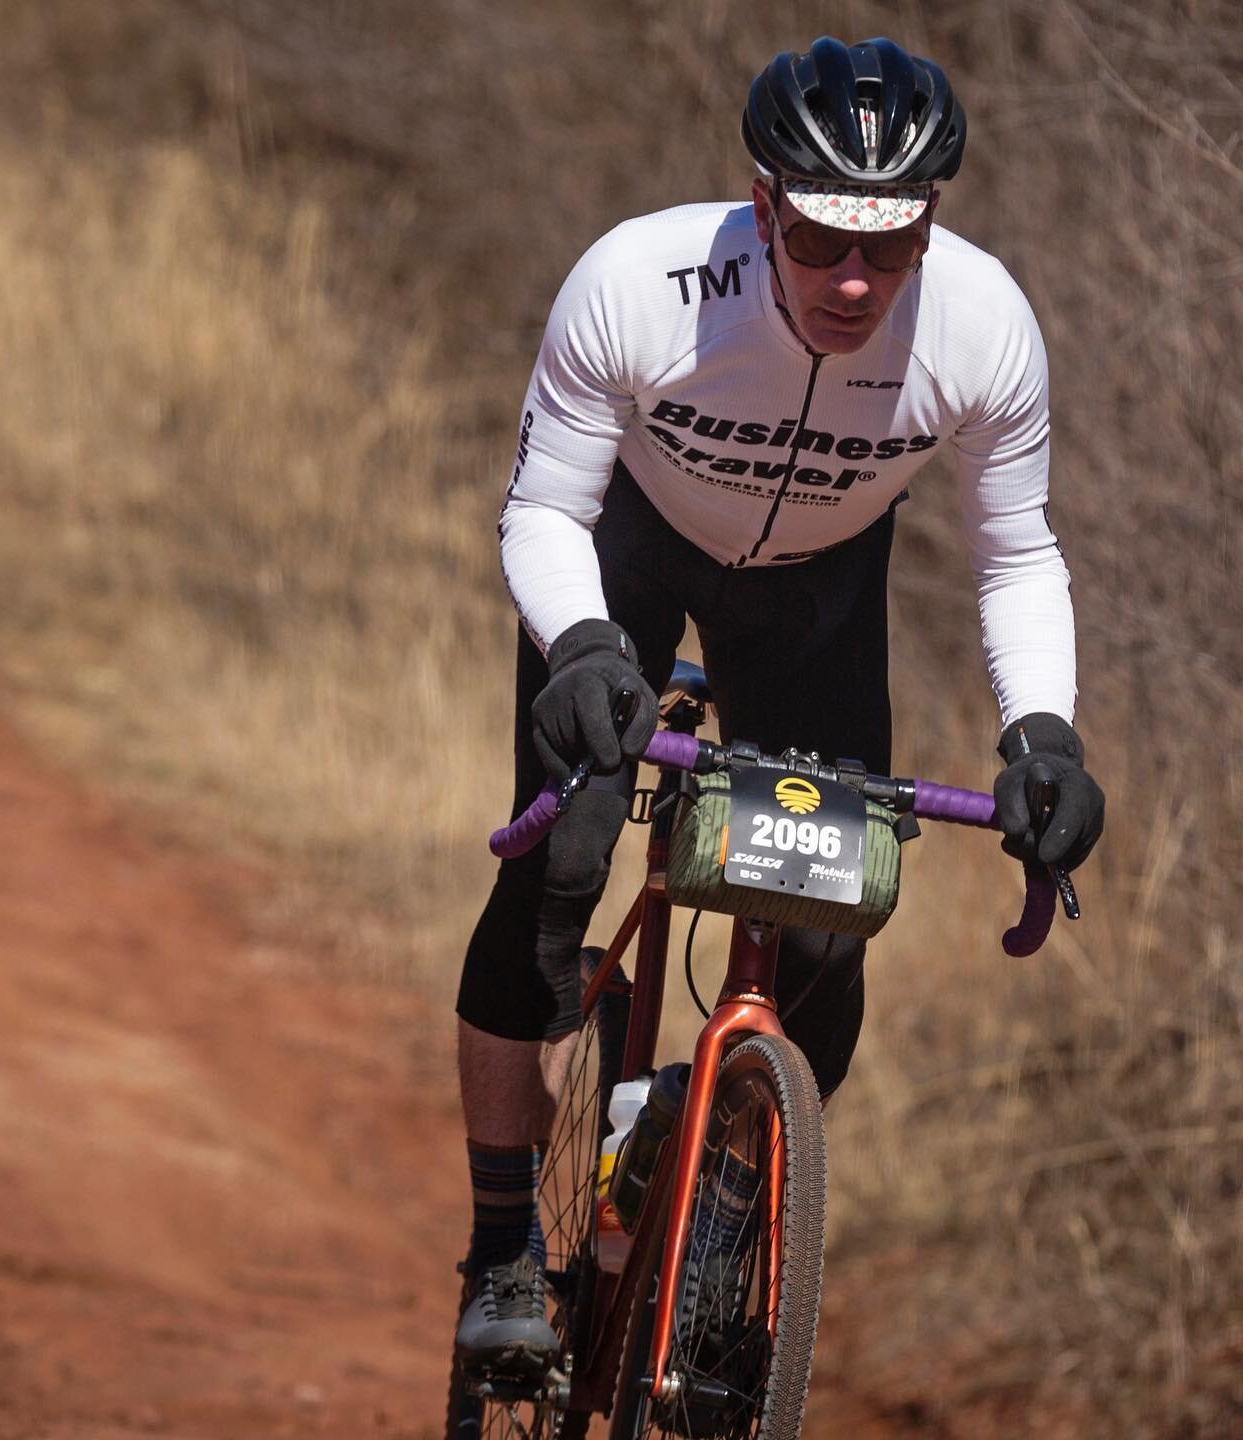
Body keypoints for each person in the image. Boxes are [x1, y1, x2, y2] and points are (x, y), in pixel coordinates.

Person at [452, 35, 1106, 1374]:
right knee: (556, 865)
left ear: (931, 226)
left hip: (812, 591)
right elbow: (543, 508)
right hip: (625, 557)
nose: (856, 281)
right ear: (763, 209)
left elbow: (1017, 551)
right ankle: (505, 1250)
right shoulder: (640, 283)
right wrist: (579, 646)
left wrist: (1043, 733)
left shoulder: (983, 326)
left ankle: (726, 1179)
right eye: (818, 242)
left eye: (894, 244)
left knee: (829, 923)